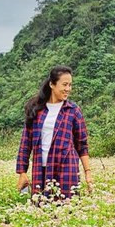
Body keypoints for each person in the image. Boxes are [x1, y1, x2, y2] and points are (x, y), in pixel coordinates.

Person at [16, 66, 92, 199]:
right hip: (40, 169)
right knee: (40, 209)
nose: (68, 89)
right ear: (52, 84)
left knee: (67, 209)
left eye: (70, 85)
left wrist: (88, 173)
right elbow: (25, 143)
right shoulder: (37, 110)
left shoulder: (73, 110)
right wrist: (22, 172)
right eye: (64, 84)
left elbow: (82, 145)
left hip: (66, 169)